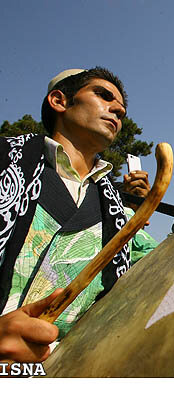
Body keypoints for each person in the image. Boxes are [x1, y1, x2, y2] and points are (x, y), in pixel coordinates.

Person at [0, 67, 157, 364]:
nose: (118, 110)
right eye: (103, 95)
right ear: (60, 101)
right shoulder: (5, 166)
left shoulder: (118, 215)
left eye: (121, 110)